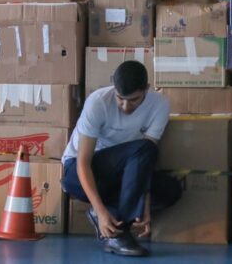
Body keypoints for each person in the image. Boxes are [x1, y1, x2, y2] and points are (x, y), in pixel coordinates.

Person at [61, 61, 182, 257]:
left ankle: (116, 224)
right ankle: (120, 231)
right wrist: (101, 211)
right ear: (114, 90)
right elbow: (83, 162)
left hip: (127, 175)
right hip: (83, 172)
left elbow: (146, 161)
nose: (126, 106)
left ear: (146, 89)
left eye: (134, 100)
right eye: (120, 98)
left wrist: (145, 202)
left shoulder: (159, 104)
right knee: (143, 149)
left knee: (171, 189)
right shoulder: (98, 102)